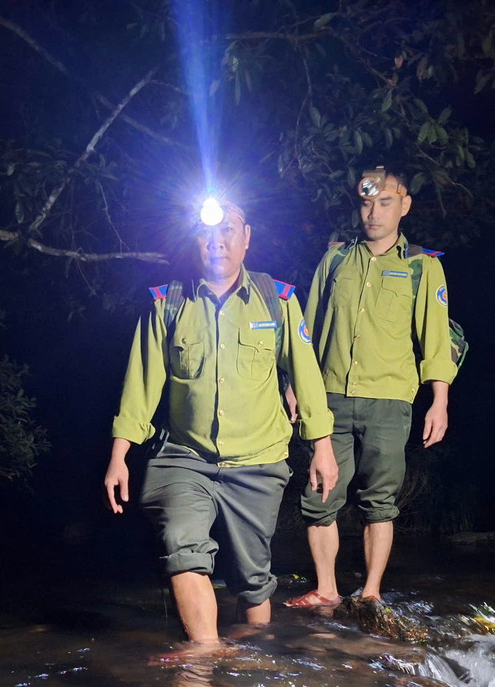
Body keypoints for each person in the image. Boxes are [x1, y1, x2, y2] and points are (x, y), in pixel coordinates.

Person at [104, 200, 339, 646]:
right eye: (206, 233)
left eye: (229, 230)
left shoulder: (280, 300)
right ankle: (205, 662)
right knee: (183, 546)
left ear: (247, 236)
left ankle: (252, 671)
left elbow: (307, 378)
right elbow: (140, 387)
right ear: (193, 240)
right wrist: (119, 456)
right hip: (184, 458)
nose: (218, 242)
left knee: (252, 580)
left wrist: (322, 447)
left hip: (259, 460)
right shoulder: (165, 304)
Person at [283, 167, 457, 608]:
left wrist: (440, 400)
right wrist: (295, 385)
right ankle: (326, 589)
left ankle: (371, 592)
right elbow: (308, 329)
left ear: (404, 205)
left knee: (380, 499)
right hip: (330, 398)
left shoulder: (423, 266)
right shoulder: (336, 259)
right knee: (320, 494)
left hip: (390, 398)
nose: (373, 213)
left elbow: (435, 339)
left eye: (384, 203)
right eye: (366, 203)